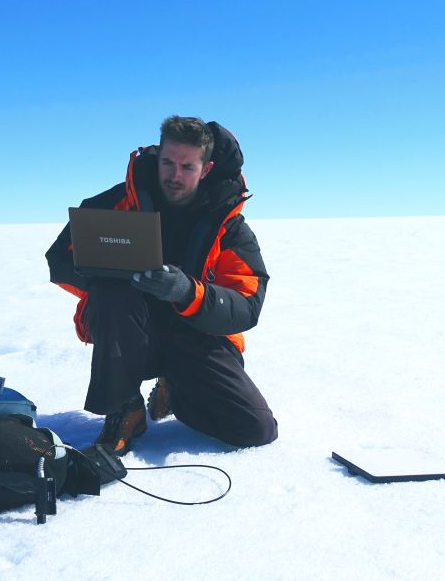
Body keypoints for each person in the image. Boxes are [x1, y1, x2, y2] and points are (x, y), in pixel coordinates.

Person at [45, 116, 278, 455]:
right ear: (157, 156)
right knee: (113, 292)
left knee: (255, 429)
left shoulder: (228, 225)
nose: (174, 175)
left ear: (206, 167)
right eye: (168, 162)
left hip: (195, 333)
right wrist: (116, 275)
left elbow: (247, 305)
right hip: (128, 331)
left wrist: (187, 292)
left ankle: (178, 391)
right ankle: (125, 409)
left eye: (187, 166)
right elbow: (60, 261)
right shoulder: (114, 205)